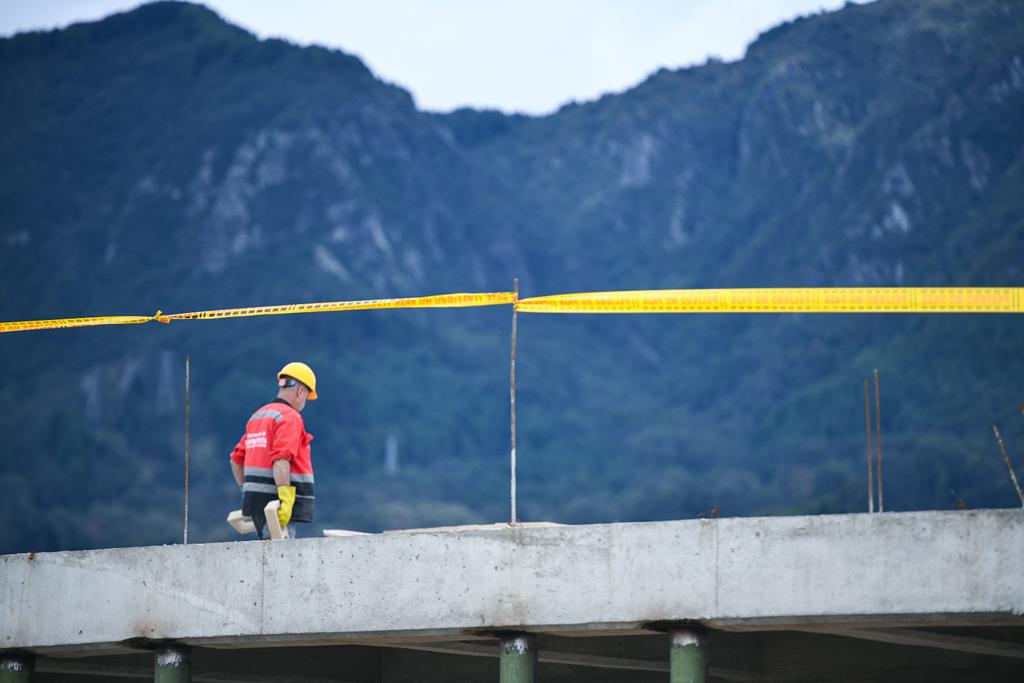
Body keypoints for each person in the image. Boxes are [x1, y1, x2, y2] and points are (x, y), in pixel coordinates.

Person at [230, 362, 318, 539]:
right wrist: (285, 498)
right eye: (306, 397)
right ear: (300, 391)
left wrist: (247, 489)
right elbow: (281, 459)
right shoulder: (290, 417)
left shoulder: (258, 416)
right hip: (275, 505)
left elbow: (236, 460)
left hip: (256, 503)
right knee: (281, 557)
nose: (304, 403)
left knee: (267, 552)